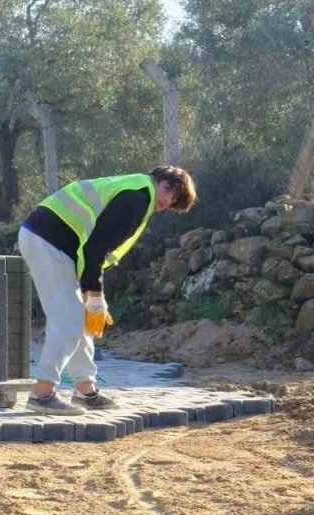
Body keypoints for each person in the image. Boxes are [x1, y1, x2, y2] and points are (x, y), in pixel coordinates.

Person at [19, 165, 197, 416]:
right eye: (168, 189)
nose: (167, 200)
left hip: (49, 241)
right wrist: (95, 294)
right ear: (156, 180)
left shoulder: (135, 190)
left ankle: (85, 391)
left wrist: (92, 294)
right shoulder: (137, 198)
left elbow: (91, 247)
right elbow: (95, 248)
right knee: (68, 319)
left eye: (175, 198)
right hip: (49, 241)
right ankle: (42, 394)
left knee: (77, 320)